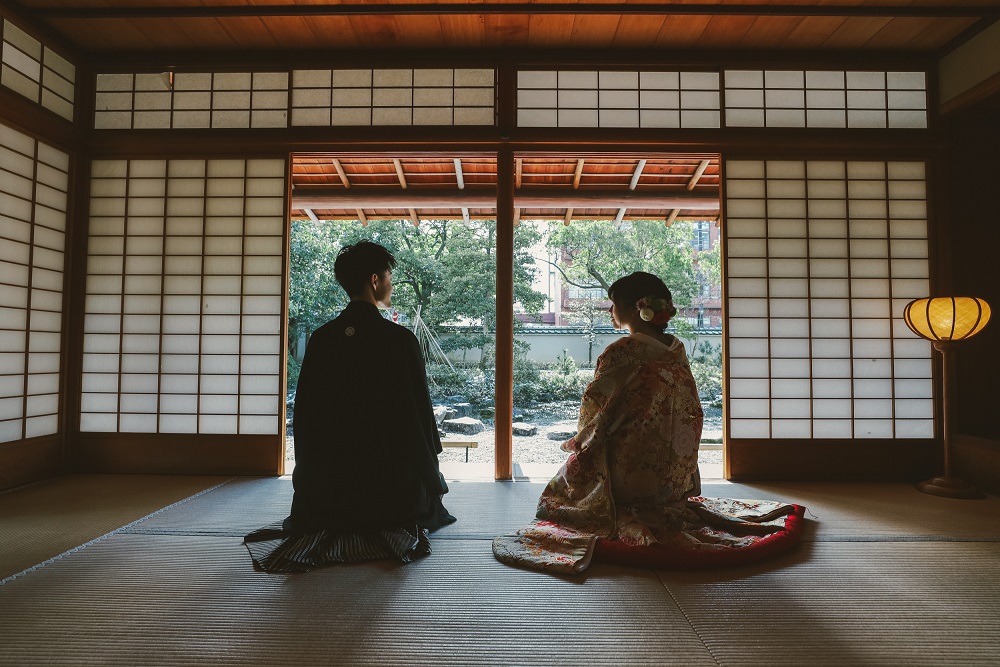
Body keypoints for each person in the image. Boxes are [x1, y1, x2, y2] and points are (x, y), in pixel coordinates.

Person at [493, 272, 801, 574]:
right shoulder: (675, 349)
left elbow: (596, 411)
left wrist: (581, 445)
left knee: (567, 481)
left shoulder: (622, 352)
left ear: (632, 308)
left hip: (632, 478)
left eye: (613, 303)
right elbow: (690, 408)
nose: (610, 310)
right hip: (675, 478)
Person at [245, 241, 455, 572]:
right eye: (389, 276)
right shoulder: (400, 341)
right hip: (389, 493)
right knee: (423, 495)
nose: (391, 283)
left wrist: (311, 480)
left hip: (328, 491)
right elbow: (418, 420)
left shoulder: (322, 339)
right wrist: (433, 476)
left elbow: (306, 420)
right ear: (374, 280)